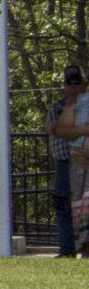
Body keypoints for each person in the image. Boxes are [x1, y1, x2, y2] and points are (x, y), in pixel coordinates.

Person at [50, 63, 89, 258]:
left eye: (78, 83)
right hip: (65, 163)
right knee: (63, 206)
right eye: (70, 83)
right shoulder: (57, 108)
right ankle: (67, 250)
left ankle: (85, 249)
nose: (74, 87)